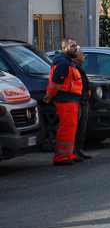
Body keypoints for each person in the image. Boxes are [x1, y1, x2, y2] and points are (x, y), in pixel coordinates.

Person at [42, 38, 83, 166]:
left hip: (70, 100)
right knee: (66, 128)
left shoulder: (67, 62)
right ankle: (61, 157)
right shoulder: (63, 63)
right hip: (65, 100)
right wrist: (49, 96)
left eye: (75, 45)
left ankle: (68, 154)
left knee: (70, 128)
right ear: (64, 48)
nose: (75, 48)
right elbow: (56, 83)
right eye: (72, 46)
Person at [73, 47, 92, 160]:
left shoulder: (78, 66)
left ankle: (79, 149)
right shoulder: (74, 67)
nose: (84, 55)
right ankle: (75, 151)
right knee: (78, 126)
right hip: (79, 100)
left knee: (82, 126)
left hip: (83, 99)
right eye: (82, 53)